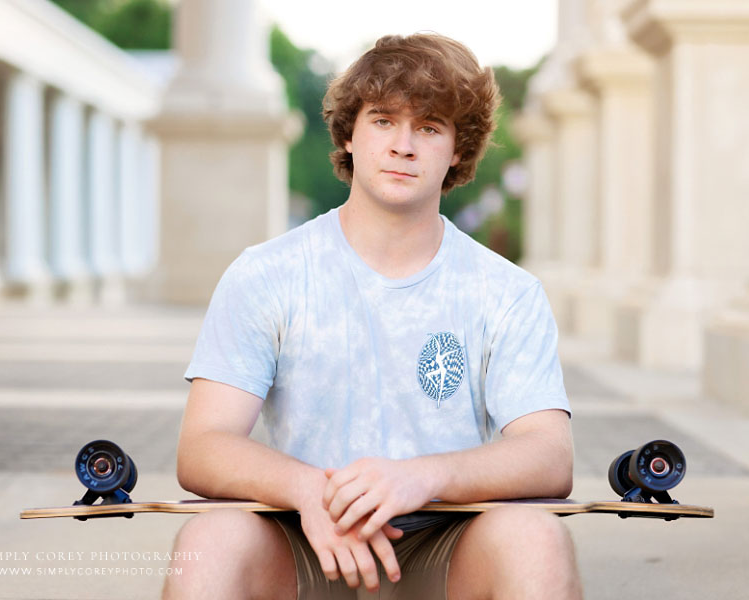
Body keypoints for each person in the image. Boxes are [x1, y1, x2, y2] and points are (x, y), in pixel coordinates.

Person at [162, 32, 582, 600]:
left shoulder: (507, 291)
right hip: (304, 538)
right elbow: (204, 445)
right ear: (350, 135)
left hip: (447, 544)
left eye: (429, 127)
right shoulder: (267, 273)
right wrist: (308, 489)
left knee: (536, 538)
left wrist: (422, 476)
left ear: (458, 149)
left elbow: (549, 455)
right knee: (208, 542)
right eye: (384, 120)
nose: (403, 145)